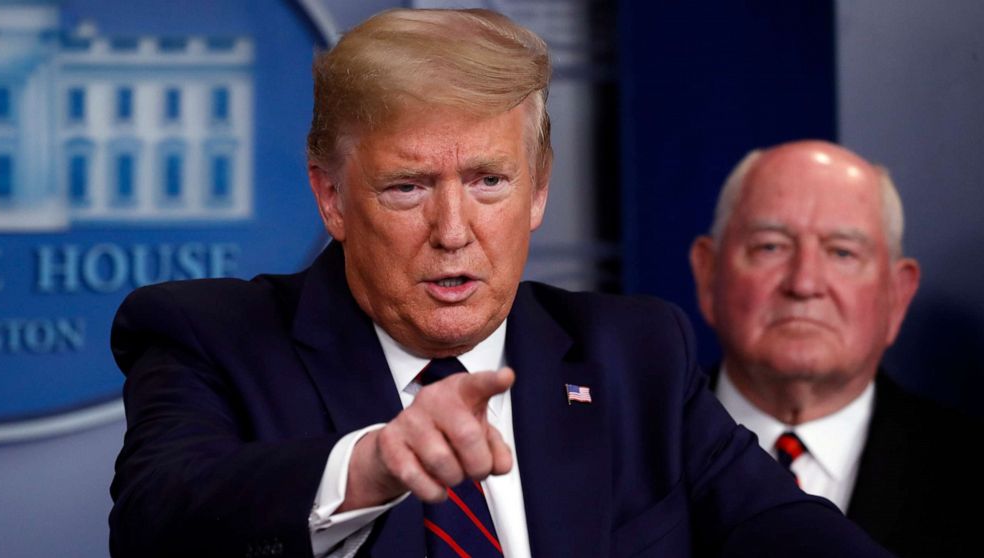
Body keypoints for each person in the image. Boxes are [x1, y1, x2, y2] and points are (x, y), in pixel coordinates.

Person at [110, 10, 889, 558]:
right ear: (331, 197)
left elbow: (786, 530)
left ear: (540, 188)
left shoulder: (633, 353)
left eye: (489, 181)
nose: (454, 230)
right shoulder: (210, 335)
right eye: (407, 188)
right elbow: (156, 526)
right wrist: (371, 464)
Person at [690, 139, 978, 557]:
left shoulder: (970, 473)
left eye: (842, 253)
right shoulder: (630, 458)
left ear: (897, 296)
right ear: (708, 274)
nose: (804, 284)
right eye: (771, 246)